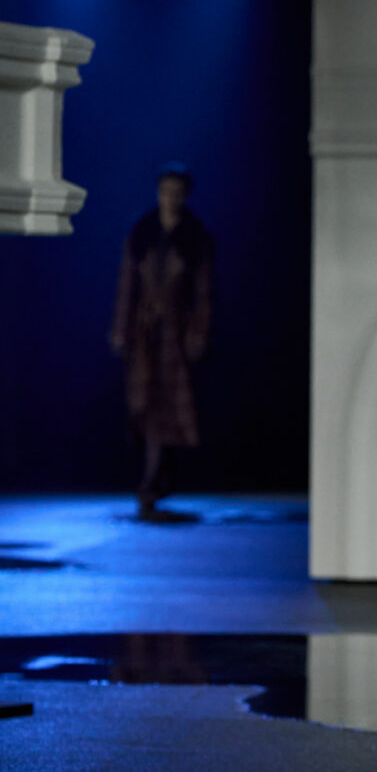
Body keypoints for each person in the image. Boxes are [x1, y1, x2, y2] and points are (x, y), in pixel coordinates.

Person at [110, 163, 214, 518]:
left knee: (170, 408)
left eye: (176, 192)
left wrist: (198, 333)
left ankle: (154, 481)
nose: (170, 198)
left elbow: (203, 292)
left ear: (184, 195)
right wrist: (121, 329)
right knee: (144, 405)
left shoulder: (195, 236)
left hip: (175, 333)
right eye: (165, 191)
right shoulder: (142, 233)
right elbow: (127, 283)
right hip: (144, 333)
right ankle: (153, 480)